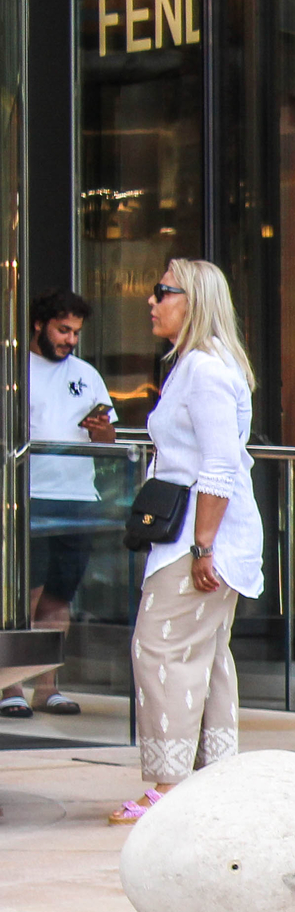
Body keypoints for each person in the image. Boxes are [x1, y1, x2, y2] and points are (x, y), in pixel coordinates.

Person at [114, 259, 262, 824]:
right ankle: (212, 781)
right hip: (202, 538)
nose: (152, 302)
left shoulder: (203, 369)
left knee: (161, 652)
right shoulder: (198, 366)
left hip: (198, 542)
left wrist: (203, 547)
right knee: (205, 657)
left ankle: (171, 788)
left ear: (192, 300)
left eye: (162, 292)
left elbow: (220, 466)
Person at [5, 290, 118, 718]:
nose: (70, 339)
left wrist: (100, 430)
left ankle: (47, 686)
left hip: (77, 499)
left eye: (76, 332)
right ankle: (10, 685)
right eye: (63, 329)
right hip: (28, 496)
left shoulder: (86, 374)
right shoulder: (16, 371)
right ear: (40, 325)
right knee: (26, 596)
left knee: (58, 598)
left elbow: (107, 440)